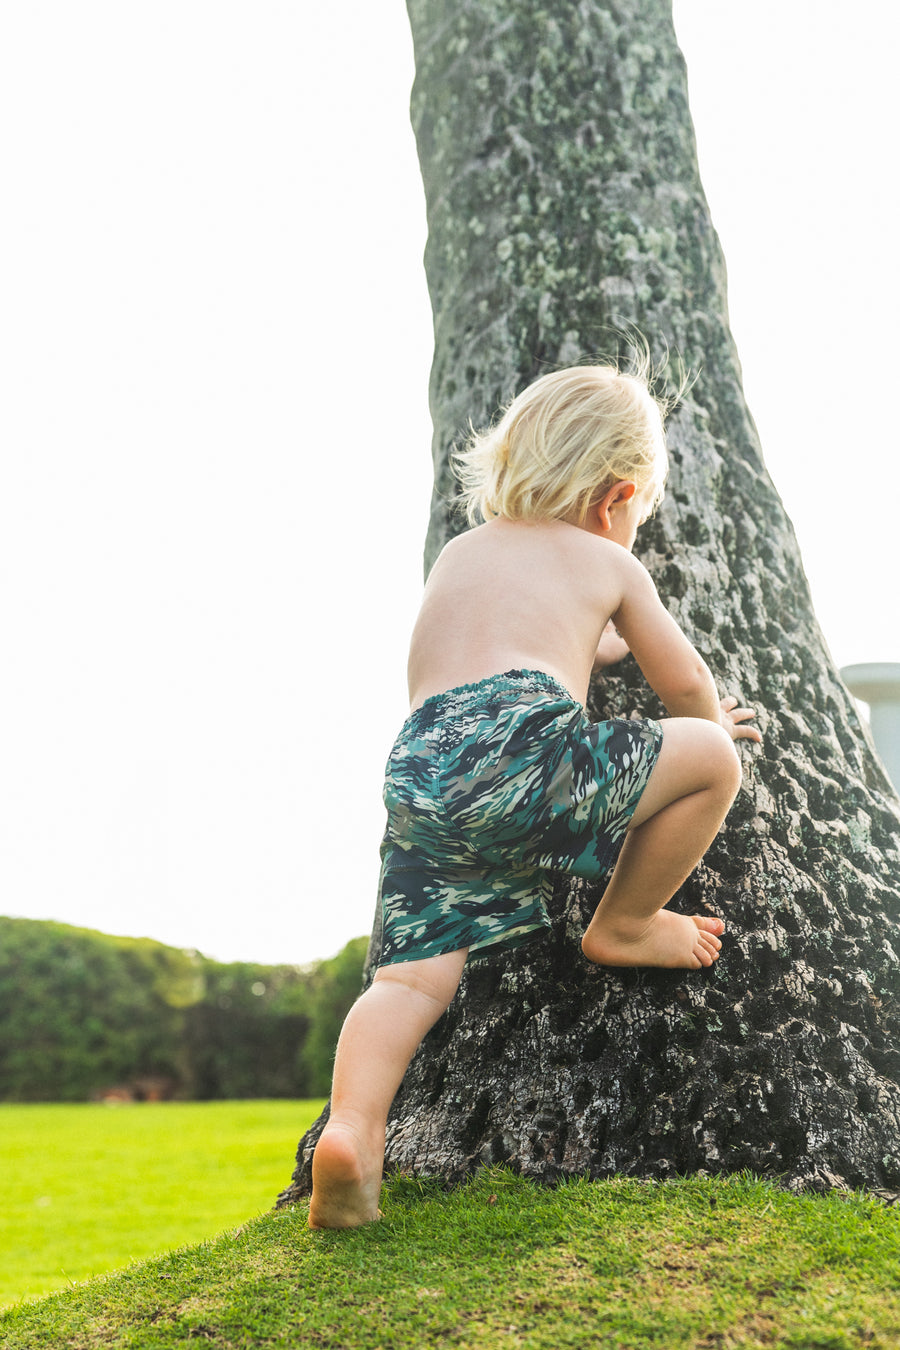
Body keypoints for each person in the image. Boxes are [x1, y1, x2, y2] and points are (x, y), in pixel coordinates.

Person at [308, 359, 761, 1229]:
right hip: (523, 749)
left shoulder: (461, 554)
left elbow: (514, 639)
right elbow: (685, 679)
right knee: (709, 757)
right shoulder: (608, 564)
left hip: (425, 769)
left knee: (407, 984)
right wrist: (712, 723)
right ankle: (625, 925)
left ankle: (355, 1132)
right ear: (615, 498)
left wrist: (590, 646)